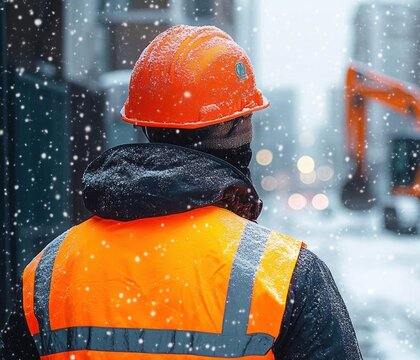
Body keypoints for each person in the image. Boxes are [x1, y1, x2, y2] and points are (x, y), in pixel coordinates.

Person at [1, 25, 362, 360]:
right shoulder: (285, 275)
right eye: (247, 116)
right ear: (238, 125)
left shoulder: (48, 274)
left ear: (142, 123)